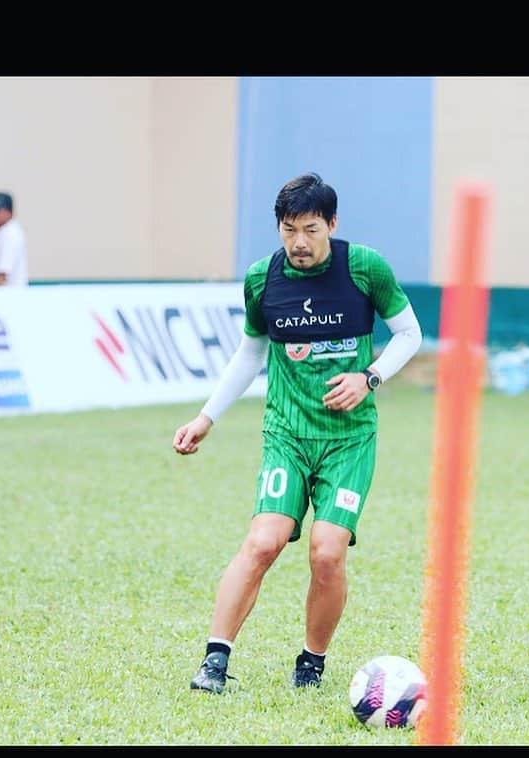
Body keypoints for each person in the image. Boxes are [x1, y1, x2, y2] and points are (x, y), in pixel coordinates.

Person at [172, 172, 423, 694]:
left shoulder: (364, 268)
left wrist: (369, 377)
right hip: (287, 433)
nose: (299, 243)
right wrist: (205, 417)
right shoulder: (263, 279)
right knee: (263, 542)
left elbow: (409, 333)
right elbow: (251, 352)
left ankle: (312, 659)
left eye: (310, 229)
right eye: (289, 230)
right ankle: (215, 661)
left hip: (349, 439)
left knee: (327, 552)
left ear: (332, 223)